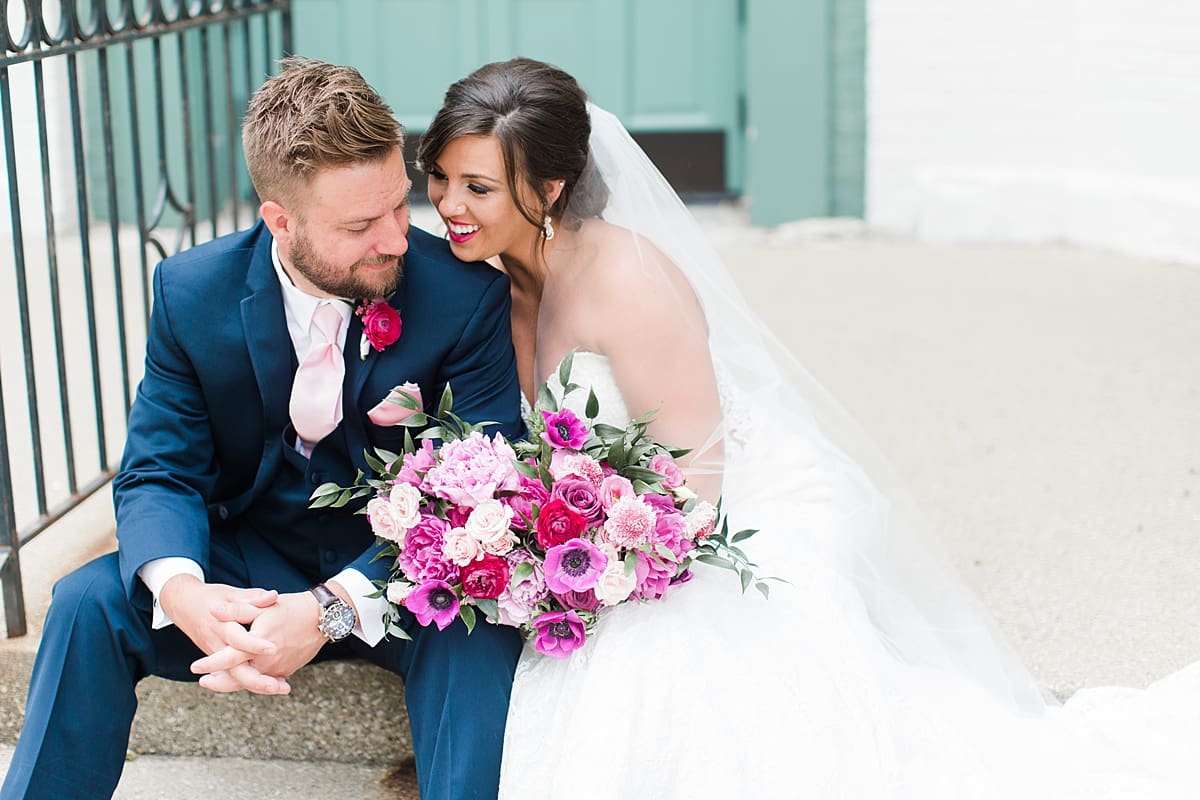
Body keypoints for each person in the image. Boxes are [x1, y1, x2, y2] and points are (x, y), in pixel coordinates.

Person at [416, 57, 1200, 798]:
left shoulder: (627, 284)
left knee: (643, 678)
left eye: (479, 187)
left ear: (549, 189)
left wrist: (583, 563)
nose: (450, 206)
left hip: (701, 524)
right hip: (603, 520)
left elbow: (695, 481)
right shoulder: (488, 282)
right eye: (442, 177)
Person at [1, 57, 524, 800]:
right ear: (281, 221)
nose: (397, 239)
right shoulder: (191, 292)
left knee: (478, 633)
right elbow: (160, 471)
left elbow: (479, 498)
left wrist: (333, 608)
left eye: (400, 206)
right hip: (249, 557)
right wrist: (184, 594)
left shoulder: (466, 299)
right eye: (359, 225)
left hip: (397, 572)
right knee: (86, 603)